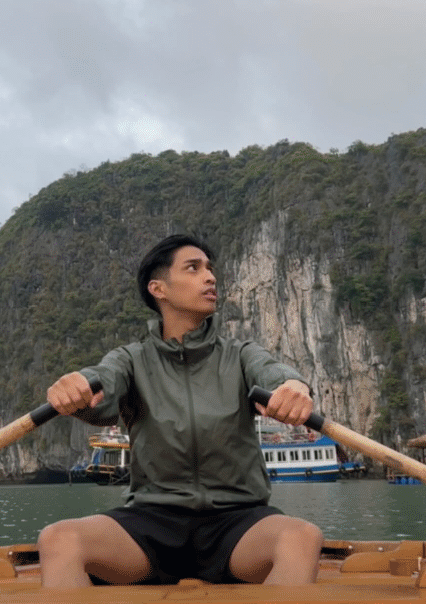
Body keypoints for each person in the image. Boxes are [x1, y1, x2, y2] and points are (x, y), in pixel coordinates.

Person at [36, 235, 325, 587]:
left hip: (238, 523)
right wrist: (76, 384)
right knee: (59, 539)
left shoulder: (240, 355)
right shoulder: (131, 360)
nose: (211, 277)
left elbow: (275, 374)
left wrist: (294, 387)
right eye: (194, 268)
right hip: (150, 523)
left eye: (210, 269)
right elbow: (101, 382)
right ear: (159, 288)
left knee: (300, 537)